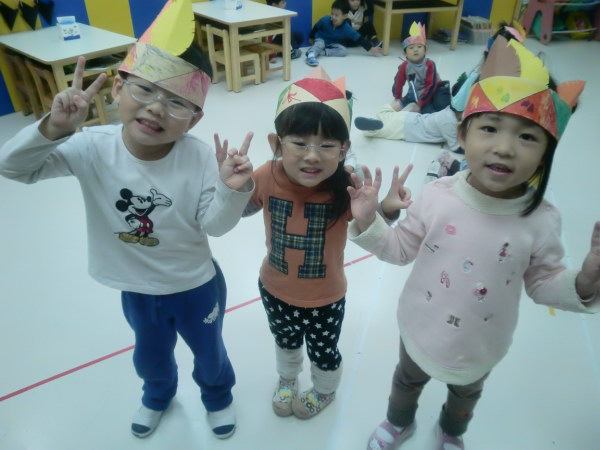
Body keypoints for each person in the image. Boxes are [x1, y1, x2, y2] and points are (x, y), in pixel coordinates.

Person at [0, 0, 254, 441]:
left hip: (194, 286)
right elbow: (14, 167)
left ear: (195, 118)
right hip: (136, 289)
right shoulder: (90, 146)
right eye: (145, 90)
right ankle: (157, 395)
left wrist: (232, 190)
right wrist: (53, 129)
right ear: (118, 89)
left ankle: (217, 397)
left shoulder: (198, 158)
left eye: (176, 102)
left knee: (209, 353)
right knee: (149, 357)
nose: (156, 109)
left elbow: (214, 225)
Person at [346, 36, 597, 450]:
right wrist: (369, 221)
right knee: (406, 381)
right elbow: (400, 249)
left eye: (527, 137)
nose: (504, 148)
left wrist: (585, 280)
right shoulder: (437, 194)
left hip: (482, 344)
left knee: (465, 398)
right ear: (463, 134)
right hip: (420, 327)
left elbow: (542, 283)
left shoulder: (541, 219)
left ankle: (451, 431)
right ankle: (399, 422)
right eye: (490, 128)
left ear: (546, 153)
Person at [242, 67, 391, 420]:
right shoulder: (265, 175)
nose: (312, 156)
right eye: (299, 143)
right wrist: (234, 188)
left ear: (343, 149)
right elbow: (241, 210)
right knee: (286, 342)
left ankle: (325, 390)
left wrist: (385, 209)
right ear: (276, 143)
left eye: (326, 146)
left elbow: (375, 231)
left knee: (324, 352)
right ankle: (287, 378)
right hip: (274, 288)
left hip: (326, 297)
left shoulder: (347, 185)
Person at [305, 0, 382, 67]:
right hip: (322, 39)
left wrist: (370, 48)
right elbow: (316, 27)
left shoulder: (346, 28)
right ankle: (311, 56)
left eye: (336, 15)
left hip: (333, 43)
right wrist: (311, 37)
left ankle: (322, 52)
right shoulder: (325, 20)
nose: (333, 17)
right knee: (320, 44)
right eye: (332, 14)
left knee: (343, 51)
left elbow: (358, 38)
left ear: (344, 16)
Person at [392, 22, 448, 114]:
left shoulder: (430, 64)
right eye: (411, 48)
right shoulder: (404, 66)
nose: (415, 50)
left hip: (433, 90)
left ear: (425, 51)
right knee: (397, 105)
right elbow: (399, 82)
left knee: (438, 107)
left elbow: (431, 86)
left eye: (419, 47)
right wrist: (397, 97)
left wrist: (419, 104)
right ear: (405, 53)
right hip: (415, 91)